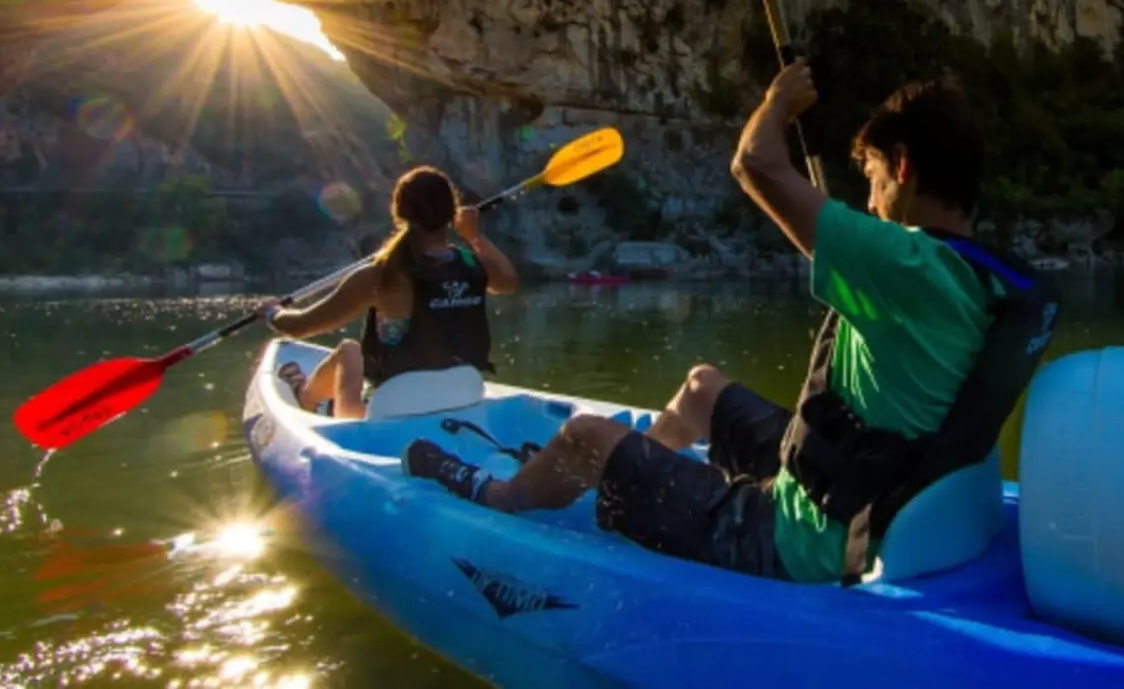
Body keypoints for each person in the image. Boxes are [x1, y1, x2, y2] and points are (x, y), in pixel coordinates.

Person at [404, 62, 1060, 584]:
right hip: (880, 480)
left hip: (811, 538)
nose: (868, 196)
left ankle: (500, 498)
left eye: (873, 174)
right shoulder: (992, 277)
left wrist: (776, 101)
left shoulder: (903, 261)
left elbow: (753, 163)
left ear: (906, 168)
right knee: (701, 387)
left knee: (584, 438)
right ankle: (631, 494)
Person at [264, 166, 520, 419]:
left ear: (399, 213)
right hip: (465, 394)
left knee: (349, 351)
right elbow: (508, 281)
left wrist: (272, 313)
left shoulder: (380, 276)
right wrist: (474, 237)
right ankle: (319, 402)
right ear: (453, 213)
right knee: (354, 352)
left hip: (395, 408)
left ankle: (308, 399)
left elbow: (298, 326)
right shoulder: (472, 265)